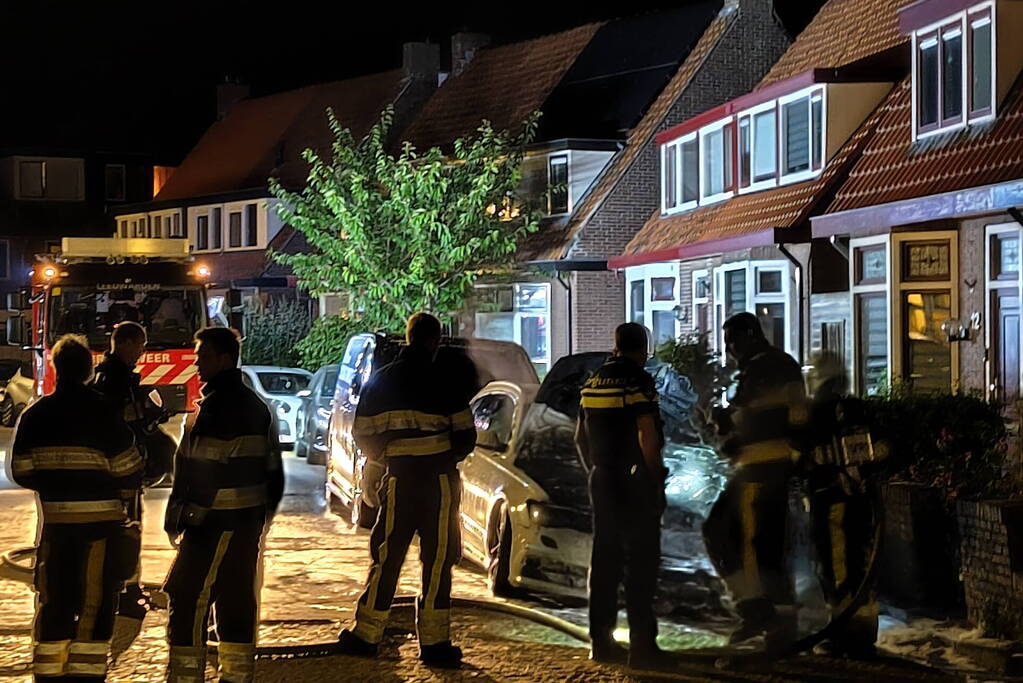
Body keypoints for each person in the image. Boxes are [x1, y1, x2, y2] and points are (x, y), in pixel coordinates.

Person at [336, 313, 476, 668]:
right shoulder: (446, 381)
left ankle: (366, 635)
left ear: (408, 338)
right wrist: (443, 454)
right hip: (441, 483)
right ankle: (434, 644)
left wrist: (387, 457)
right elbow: (465, 436)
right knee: (439, 560)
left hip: (399, 481)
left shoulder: (381, 382)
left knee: (387, 556)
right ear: (434, 341)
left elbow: (363, 433)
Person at [10, 334, 142, 681]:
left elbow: (21, 471)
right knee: (94, 604)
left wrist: (56, 484)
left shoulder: (35, 414)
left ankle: (49, 674)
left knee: (54, 601)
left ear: (56, 369)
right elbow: (130, 469)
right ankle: (86, 676)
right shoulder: (105, 412)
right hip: (102, 529)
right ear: (88, 370)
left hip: (56, 527)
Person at [163, 327, 283, 683]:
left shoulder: (220, 408)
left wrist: (184, 515)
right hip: (241, 523)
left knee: (189, 597)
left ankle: (185, 677)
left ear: (224, 358)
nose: (196, 364)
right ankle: (236, 675)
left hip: (214, 523)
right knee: (235, 600)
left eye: (203, 357)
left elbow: (201, 471)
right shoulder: (252, 406)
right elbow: (271, 473)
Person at [703, 312, 805, 649]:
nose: (730, 349)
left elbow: (748, 419)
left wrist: (720, 424)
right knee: (769, 547)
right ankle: (781, 624)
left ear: (750, 334)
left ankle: (757, 611)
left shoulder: (758, 370)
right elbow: (796, 415)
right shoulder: (784, 364)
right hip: (777, 466)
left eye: (733, 340)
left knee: (730, 536)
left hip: (758, 469)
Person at [574, 322, 669, 669]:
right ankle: (642, 649)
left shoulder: (593, 381)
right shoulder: (638, 380)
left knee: (604, 561)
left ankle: (601, 642)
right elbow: (647, 433)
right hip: (634, 480)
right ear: (642, 349)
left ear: (614, 346)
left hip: (602, 479)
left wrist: (595, 470)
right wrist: (654, 477)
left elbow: (579, 438)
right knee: (640, 562)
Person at [91, 321, 172, 659]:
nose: (142, 352)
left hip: (128, 471)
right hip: (122, 473)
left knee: (131, 531)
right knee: (127, 532)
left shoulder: (117, 378)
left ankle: (128, 587)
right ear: (123, 343)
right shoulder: (114, 380)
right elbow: (118, 426)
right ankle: (126, 590)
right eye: (139, 345)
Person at [802, 354, 881, 659]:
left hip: (833, 501)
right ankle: (861, 633)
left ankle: (845, 635)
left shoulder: (818, 412)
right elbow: (873, 453)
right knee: (857, 566)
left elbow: (802, 455)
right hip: (858, 502)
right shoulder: (854, 409)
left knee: (838, 569)